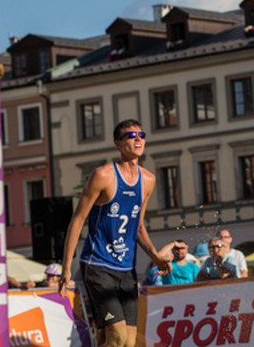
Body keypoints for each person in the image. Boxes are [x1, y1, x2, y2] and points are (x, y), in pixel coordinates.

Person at [60, 120, 168, 347]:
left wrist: (155, 256)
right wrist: (66, 268)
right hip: (98, 265)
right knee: (117, 337)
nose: (138, 139)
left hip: (126, 269)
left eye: (142, 134)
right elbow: (78, 220)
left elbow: (138, 227)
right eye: (131, 136)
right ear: (118, 143)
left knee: (128, 342)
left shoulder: (148, 180)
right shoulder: (103, 175)